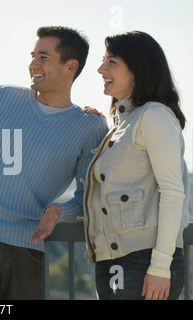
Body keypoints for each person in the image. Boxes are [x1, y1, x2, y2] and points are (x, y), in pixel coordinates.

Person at [0, 26, 108, 300]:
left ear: (70, 66)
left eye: (43, 57)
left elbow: (87, 197)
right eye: (33, 55)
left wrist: (59, 210)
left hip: (27, 249)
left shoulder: (89, 127)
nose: (33, 64)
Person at [82, 31, 189, 300]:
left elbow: (173, 193)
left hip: (144, 260)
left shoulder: (154, 116)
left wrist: (161, 266)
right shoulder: (123, 123)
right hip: (113, 258)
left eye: (111, 62)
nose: (100, 69)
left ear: (138, 69)